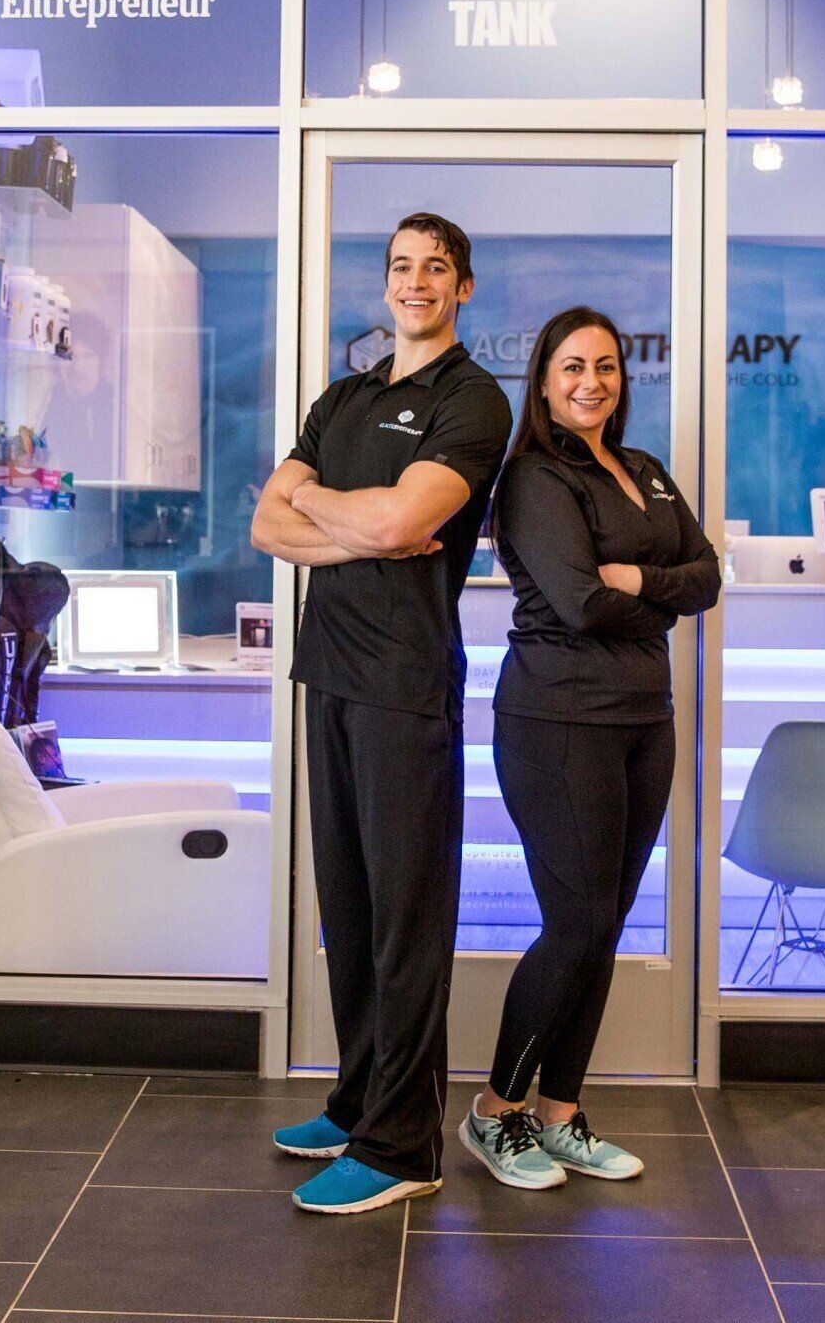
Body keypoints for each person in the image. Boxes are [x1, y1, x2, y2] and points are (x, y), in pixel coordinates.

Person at [250, 213, 512, 1215]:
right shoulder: (345, 395)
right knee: (351, 907)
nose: (416, 281)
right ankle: (359, 1100)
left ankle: (403, 1144)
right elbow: (268, 520)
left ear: (463, 286)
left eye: (436, 267)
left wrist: (334, 504)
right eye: (402, 265)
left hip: (406, 684)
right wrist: (360, 523)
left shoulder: (473, 399)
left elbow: (407, 517)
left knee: (406, 917)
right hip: (328, 672)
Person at [460, 306, 719, 1189]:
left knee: (603, 925)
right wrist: (660, 602)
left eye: (605, 366)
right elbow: (577, 602)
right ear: (542, 380)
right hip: (559, 721)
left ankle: (559, 1111)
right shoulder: (534, 477)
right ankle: (495, 1109)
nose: (591, 381)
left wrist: (639, 578)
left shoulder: (644, 470)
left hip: (646, 720)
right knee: (575, 924)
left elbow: (707, 575)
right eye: (572, 366)